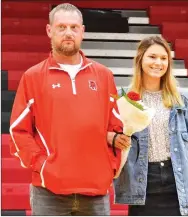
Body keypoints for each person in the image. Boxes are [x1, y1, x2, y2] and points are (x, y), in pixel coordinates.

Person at [9, 3, 131, 216]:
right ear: (49, 30)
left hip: (96, 193)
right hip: (49, 194)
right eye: (61, 27)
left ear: (82, 31)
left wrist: (108, 167)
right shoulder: (33, 77)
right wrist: (43, 165)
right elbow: (19, 132)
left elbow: (118, 130)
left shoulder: (104, 76)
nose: (68, 33)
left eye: (74, 27)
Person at [113, 36, 188, 216]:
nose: (158, 63)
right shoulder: (124, 98)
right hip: (143, 183)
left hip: (177, 180)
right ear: (140, 59)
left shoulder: (182, 99)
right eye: (152, 57)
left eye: (163, 58)